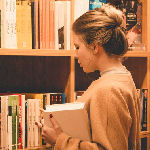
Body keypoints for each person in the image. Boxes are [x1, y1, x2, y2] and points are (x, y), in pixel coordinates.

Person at [35, 4, 141, 150]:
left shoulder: (108, 90)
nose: (76, 54)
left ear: (95, 47)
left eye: (77, 47)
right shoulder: (122, 77)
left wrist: (59, 140)